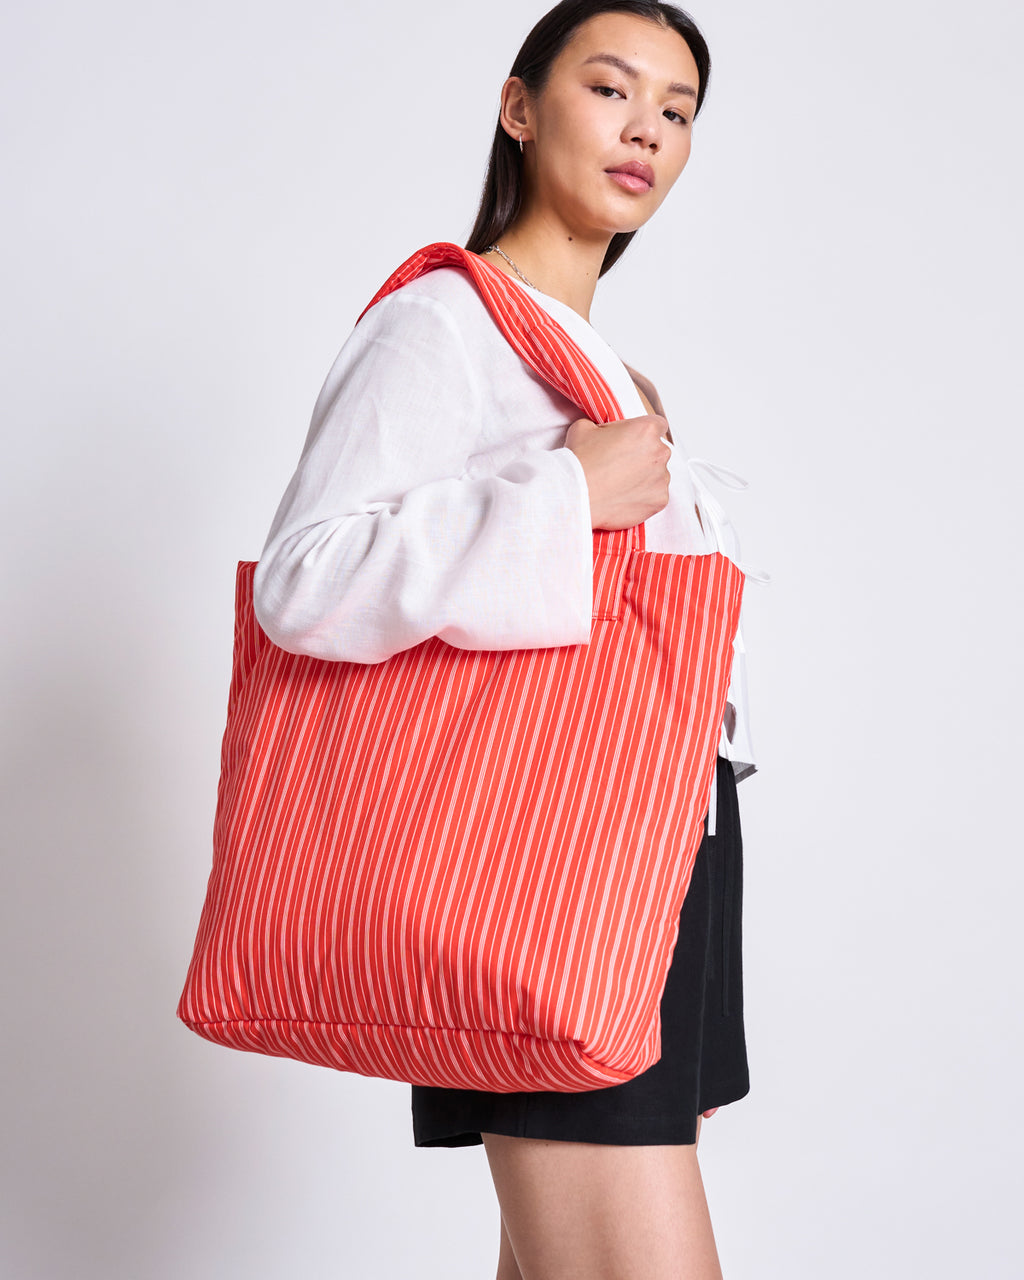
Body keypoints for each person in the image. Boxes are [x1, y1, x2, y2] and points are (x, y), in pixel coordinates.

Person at [253, 2, 759, 1276]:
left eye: (677, 109)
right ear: (519, 106)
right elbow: (303, 584)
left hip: (657, 852)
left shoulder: (614, 375)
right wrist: (561, 500)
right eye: (610, 87)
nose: (645, 126)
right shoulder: (444, 323)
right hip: (545, 866)